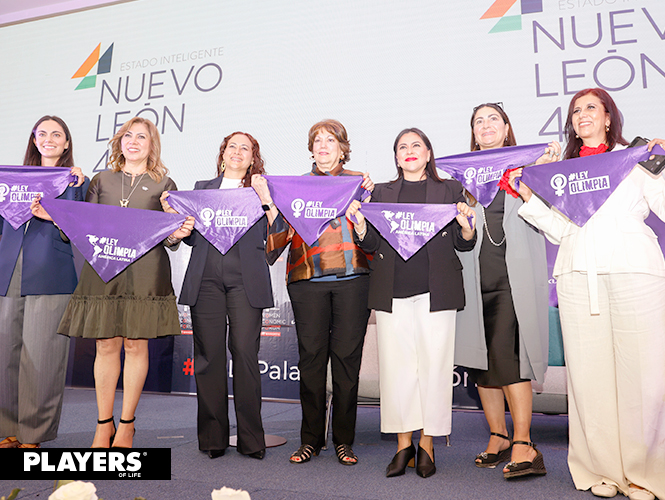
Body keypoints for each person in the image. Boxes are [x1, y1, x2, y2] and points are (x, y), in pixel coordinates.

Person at [511, 88, 665, 500]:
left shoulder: (636, 157)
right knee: (588, 379)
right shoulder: (564, 171)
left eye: (591, 108)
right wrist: (530, 197)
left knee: (644, 378)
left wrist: (664, 162)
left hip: (635, 270)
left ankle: (643, 474)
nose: (582, 115)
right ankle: (602, 469)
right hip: (578, 275)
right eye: (576, 110)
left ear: (608, 117)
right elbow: (559, 231)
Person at [50, 116, 194, 448]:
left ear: (151, 145)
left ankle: (127, 425)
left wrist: (177, 233)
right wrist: (58, 216)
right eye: (128, 135)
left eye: (141, 137)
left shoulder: (165, 184)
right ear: (119, 142)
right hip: (103, 271)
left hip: (146, 273)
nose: (133, 141)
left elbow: (168, 235)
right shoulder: (102, 179)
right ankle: (104, 424)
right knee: (105, 345)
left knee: (135, 345)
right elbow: (83, 224)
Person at [346, 128, 476, 478]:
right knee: (397, 371)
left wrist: (467, 229)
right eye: (402, 146)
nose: (409, 150)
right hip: (392, 291)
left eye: (416, 145)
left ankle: (427, 445)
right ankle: (403, 445)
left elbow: (463, 243)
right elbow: (371, 244)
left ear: (429, 153)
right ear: (396, 157)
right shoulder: (381, 193)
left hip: (438, 291)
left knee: (434, 369)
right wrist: (360, 225)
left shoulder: (450, 189)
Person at [255, 119, 373, 466]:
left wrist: (368, 195)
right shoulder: (295, 187)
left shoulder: (361, 183)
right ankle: (310, 440)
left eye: (330, 140)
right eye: (317, 141)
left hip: (353, 279)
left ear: (342, 149)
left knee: (347, 363)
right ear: (311, 150)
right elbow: (276, 242)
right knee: (311, 362)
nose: (323, 146)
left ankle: (344, 441)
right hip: (307, 280)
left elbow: (374, 235)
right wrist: (269, 202)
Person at [162, 131, 278, 460]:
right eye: (232, 146)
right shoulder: (201, 189)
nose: (237, 151)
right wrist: (175, 225)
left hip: (247, 281)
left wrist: (265, 198)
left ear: (253, 157)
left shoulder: (261, 190)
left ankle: (251, 439)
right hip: (206, 280)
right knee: (208, 358)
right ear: (223, 154)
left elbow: (278, 232)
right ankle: (213, 438)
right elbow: (188, 237)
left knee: (245, 355)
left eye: (245, 148)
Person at [454, 103, 551, 478]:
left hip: (514, 278)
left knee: (510, 358)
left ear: (507, 128)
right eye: (478, 121)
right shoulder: (464, 180)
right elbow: (461, 237)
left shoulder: (529, 169)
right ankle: (498, 435)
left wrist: (546, 167)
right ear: (473, 134)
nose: (486, 125)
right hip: (475, 278)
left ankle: (525, 442)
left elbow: (549, 209)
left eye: (493, 118)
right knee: (482, 360)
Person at [0, 115, 86, 449]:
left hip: (51, 273)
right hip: (7, 272)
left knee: (42, 356)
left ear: (66, 143)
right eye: (42, 133)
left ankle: (33, 434)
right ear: (34, 140)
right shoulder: (10, 181)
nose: (49, 139)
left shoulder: (75, 182)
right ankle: (8, 428)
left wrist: (57, 210)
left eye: (57, 134)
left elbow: (80, 229)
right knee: (4, 352)